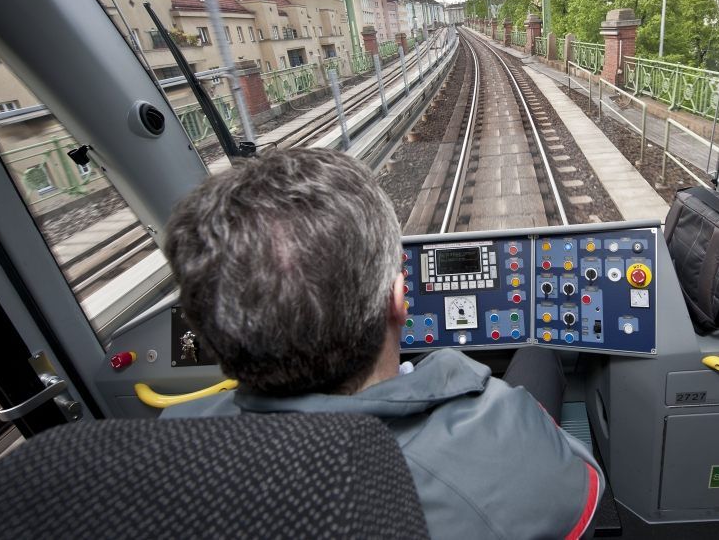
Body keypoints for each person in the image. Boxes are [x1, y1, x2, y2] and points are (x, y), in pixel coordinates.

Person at [162, 147, 603, 538]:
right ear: (398, 298)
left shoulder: (165, 445)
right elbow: (585, 490)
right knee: (538, 353)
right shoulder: (508, 444)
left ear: (206, 329)